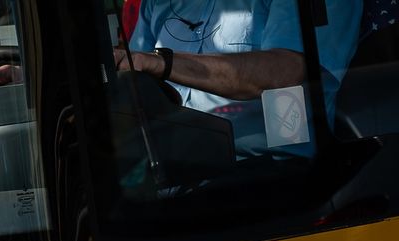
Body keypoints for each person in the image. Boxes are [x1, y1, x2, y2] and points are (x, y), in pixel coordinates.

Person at [117, 0, 363, 156]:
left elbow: (284, 72)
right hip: (175, 175)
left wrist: (163, 62)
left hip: (274, 175)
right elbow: (133, 76)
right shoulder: (156, 4)